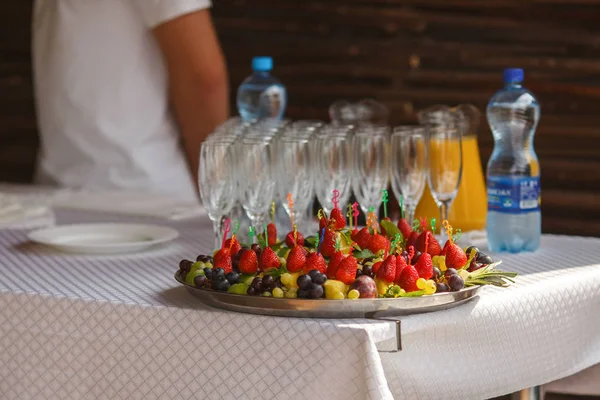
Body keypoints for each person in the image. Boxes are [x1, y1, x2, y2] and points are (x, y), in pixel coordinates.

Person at [32, 0, 229, 203]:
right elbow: (202, 77)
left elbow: (202, 78)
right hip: (128, 193)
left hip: (140, 195)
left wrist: (213, 192)